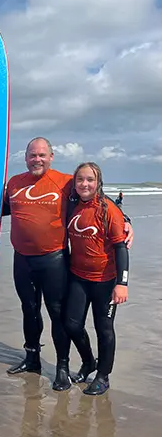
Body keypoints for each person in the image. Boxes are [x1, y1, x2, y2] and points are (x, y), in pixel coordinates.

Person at [3, 137, 133, 376]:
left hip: (54, 259)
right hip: (22, 259)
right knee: (28, 309)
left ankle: (62, 366)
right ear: (25, 158)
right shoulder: (14, 183)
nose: (37, 159)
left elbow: (95, 199)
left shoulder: (66, 183)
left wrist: (125, 220)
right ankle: (32, 358)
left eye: (42, 155)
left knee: (56, 312)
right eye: (32, 155)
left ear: (51, 157)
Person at [55, 162, 129, 396]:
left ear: (98, 183)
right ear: (74, 183)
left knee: (104, 329)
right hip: (78, 277)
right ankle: (89, 361)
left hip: (105, 281)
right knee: (72, 325)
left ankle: (103, 376)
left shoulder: (108, 209)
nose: (84, 184)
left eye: (90, 180)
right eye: (80, 180)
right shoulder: (72, 205)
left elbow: (121, 248)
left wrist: (122, 283)